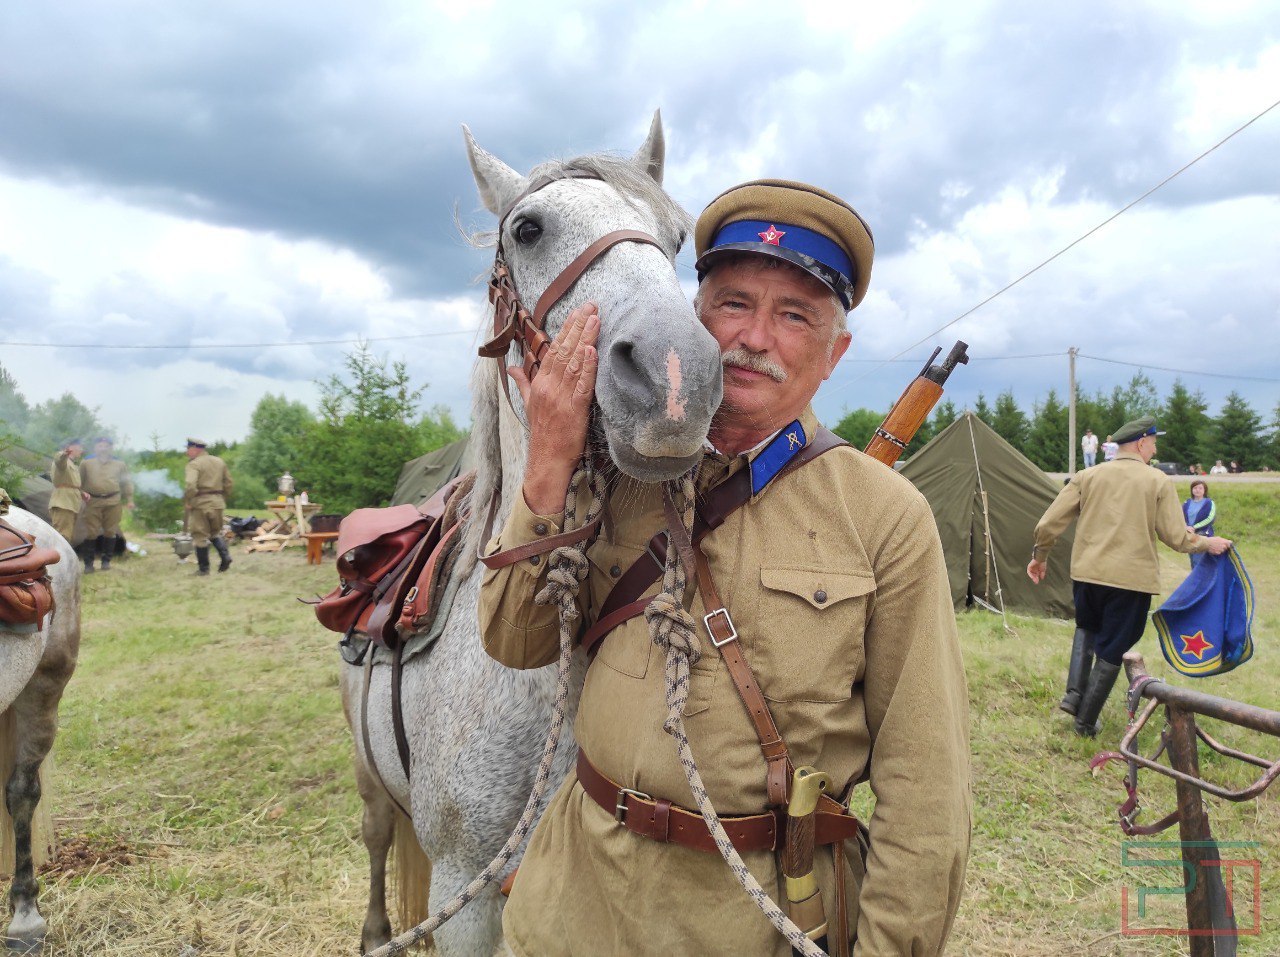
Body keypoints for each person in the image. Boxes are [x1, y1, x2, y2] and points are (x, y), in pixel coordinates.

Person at [480, 180, 970, 956]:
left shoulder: (885, 517)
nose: (754, 337)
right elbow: (515, 640)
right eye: (734, 303)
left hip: (756, 920)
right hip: (571, 906)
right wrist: (548, 463)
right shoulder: (610, 473)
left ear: (835, 353)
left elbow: (927, 790)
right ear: (694, 317)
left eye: (795, 315)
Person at [1027, 417, 1232, 736]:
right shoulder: (1157, 481)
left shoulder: (1087, 475)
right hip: (1131, 581)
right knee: (1114, 646)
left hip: (1087, 574)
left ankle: (1074, 695)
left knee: (1087, 628)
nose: (1155, 449)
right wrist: (1209, 543)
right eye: (1154, 443)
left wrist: (1040, 557)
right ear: (1141, 443)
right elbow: (1176, 537)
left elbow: (1047, 524)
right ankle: (1085, 722)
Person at [80, 436, 134, 572]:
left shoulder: (119, 464)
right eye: (100, 446)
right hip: (92, 501)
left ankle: (106, 562)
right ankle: (88, 564)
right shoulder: (86, 463)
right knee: (91, 532)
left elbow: (126, 482)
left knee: (110, 531)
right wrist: (80, 495)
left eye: (106, 446)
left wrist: (130, 499)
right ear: (95, 447)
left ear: (111, 448)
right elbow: (79, 482)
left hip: (113, 501)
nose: (103, 448)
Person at [184, 438, 233, 575]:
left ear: (195, 449)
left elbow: (190, 485)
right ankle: (225, 557)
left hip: (201, 504)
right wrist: (222, 498)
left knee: (199, 535)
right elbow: (229, 483)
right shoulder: (219, 461)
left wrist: (189, 500)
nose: (187, 452)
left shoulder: (194, 464)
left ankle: (204, 569)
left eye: (188, 449)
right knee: (215, 533)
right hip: (218, 503)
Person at [48, 438, 88, 544]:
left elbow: (70, 483)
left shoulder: (72, 464)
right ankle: (57, 555)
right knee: (62, 537)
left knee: (66, 536)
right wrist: (64, 453)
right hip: (63, 504)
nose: (82, 450)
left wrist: (81, 493)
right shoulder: (63, 461)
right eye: (80, 447)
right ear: (70, 447)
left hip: (70, 504)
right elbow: (59, 459)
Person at [1182, 480, 1216, 570]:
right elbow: (1181, 516)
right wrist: (1186, 527)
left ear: (1205, 490)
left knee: (1198, 560)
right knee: (1193, 560)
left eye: (1200, 488)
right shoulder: (1187, 503)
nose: (1197, 490)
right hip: (1190, 535)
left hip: (1202, 535)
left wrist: (1194, 527)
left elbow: (1210, 518)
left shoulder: (1209, 502)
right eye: (1195, 488)